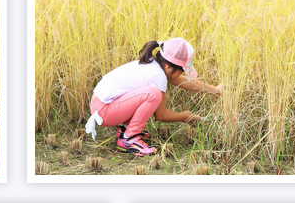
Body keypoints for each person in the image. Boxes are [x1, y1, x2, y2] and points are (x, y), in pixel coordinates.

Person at [86, 38, 221, 157]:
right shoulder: (158, 76)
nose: (183, 74)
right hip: (105, 111)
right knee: (153, 94)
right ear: (169, 67)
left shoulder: (154, 65)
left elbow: (183, 81)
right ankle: (129, 139)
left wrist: (214, 90)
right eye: (183, 70)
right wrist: (186, 117)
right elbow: (161, 116)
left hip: (102, 105)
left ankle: (127, 131)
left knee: (150, 93)